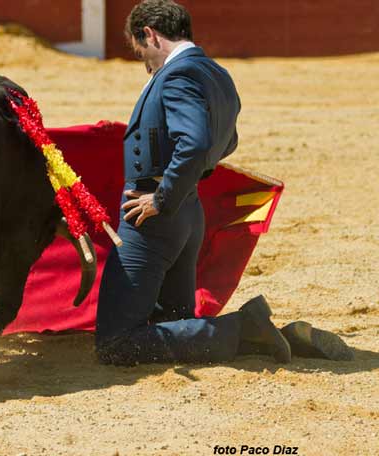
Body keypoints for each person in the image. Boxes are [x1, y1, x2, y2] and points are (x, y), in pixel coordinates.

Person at [95, 0, 351, 366]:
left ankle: (244, 329)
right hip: (188, 213)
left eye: (141, 53)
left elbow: (196, 141)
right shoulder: (215, 72)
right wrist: (184, 186)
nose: (145, 64)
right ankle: (274, 337)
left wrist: (163, 197)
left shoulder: (177, 75)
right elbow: (226, 141)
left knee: (117, 344)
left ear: (149, 34)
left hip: (155, 216)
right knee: (174, 323)